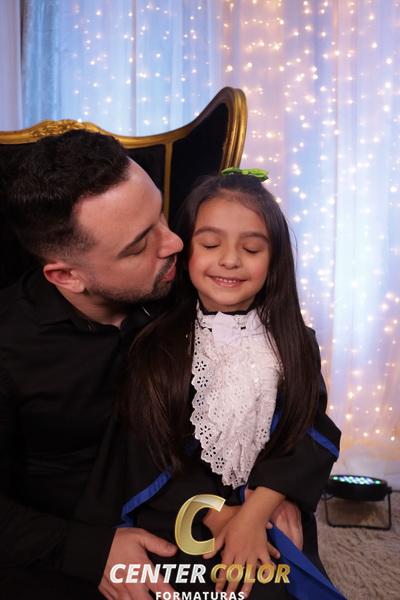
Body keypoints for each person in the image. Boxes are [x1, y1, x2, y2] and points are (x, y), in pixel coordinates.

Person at [0, 131, 307, 600]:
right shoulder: (10, 346)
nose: (175, 242)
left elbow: (273, 388)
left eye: (160, 215)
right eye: (138, 246)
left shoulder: (189, 283)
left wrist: (271, 495)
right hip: (63, 538)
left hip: (192, 505)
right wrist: (90, 552)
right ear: (67, 276)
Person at [77, 171, 342, 599]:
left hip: (263, 503)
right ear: (185, 251)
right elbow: (146, 447)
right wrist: (220, 517)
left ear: (274, 260)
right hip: (179, 509)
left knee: (270, 585)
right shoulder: (156, 342)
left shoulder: (295, 341)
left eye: (251, 249)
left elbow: (306, 432)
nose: (230, 260)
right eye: (211, 245)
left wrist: (255, 515)